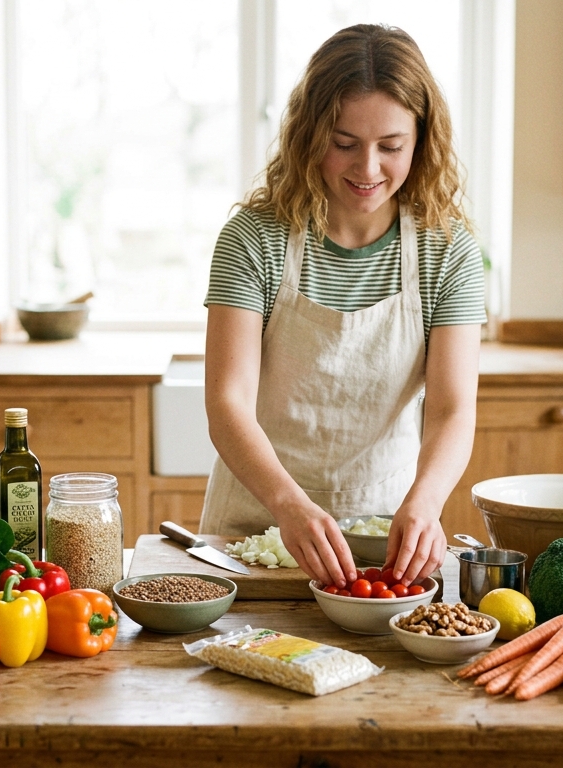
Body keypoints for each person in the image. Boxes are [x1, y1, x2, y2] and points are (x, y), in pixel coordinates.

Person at [200, 24, 485, 590]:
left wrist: (426, 504)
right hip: (256, 527)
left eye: (391, 147)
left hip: (386, 533)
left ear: (421, 141)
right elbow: (227, 402)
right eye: (345, 143)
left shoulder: (447, 250)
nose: (368, 168)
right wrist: (287, 504)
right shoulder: (253, 238)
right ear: (310, 135)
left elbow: (453, 410)